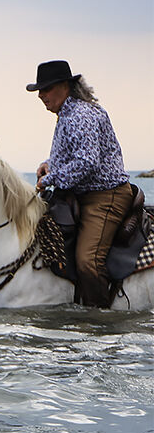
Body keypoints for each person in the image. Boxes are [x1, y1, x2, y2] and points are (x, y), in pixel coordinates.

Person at [30, 59, 133, 308]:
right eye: (39, 91)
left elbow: (87, 163)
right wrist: (50, 163)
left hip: (105, 197)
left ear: (65, 86)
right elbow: (74, 155)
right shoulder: (67, 113)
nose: (42, 95)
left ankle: (99, 319)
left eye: (46, 88)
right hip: (82, 195)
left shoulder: (81, 115)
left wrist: (50, 178)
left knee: (88, 260)